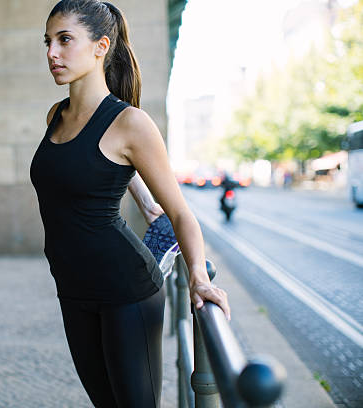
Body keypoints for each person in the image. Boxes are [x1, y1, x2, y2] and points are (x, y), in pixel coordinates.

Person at [29, 1, 231, 406]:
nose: (52, 52)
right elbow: (92, 167)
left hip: (127, 291)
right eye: (48, 41)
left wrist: (198, 277)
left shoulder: (132, 123)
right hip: (71, 289)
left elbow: (180, 212)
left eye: (65, 40)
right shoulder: (57, 114)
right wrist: (137, 194)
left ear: (101, 46)